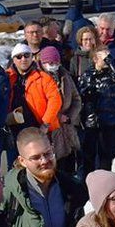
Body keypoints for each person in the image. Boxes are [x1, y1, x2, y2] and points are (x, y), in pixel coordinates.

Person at [78, 44, 115, 173]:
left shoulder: (113, 75)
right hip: (92, 121)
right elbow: (81, 95)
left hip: (109, 121)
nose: (107, 60)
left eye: (109, 57)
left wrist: (111, 61)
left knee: (106, 155)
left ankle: (105, 178)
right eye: (104, 58)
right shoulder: (88, 75)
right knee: (89, 154)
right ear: (95, 59)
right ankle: (87, 179)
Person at [39, 46, 81, 176]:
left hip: (66, 128)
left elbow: (76, 99)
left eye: (56, 62)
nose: (53, 65)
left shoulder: (65, 76)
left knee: (69, 165)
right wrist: (56, 117)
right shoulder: (39, 79)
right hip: (49, 129)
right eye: (50, 63)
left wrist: (69, 117)